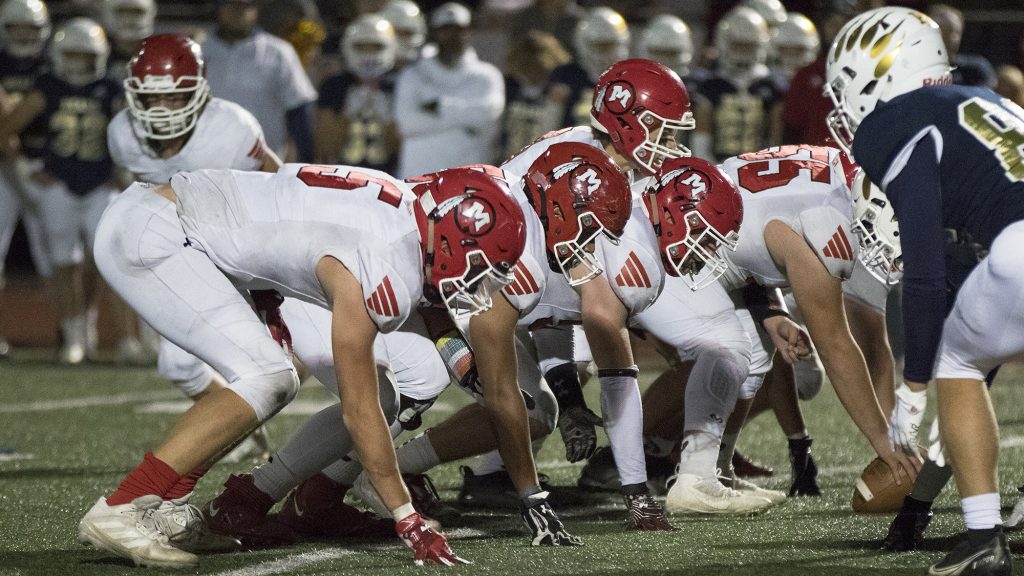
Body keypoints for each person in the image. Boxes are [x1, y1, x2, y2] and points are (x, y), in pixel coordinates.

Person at [78, 162, 527, 567]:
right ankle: (126, 505)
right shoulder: (381, 262)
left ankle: (167, 504)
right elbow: (358, 407)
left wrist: (459, 357)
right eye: (481, 263)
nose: (481, 279)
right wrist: (405, 515)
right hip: (160, 231)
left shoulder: (406, 213)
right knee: (268, 376)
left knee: (290, 379)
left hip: (186, 220)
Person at [826, 6, 1024, 574]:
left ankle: (985, 537)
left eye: (845, 88)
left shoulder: (895, 123)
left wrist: (911, 392)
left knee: (958, 362)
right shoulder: (990, 101)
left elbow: (925, 274)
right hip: (1007, 235)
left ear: (876, 75)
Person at [107, 33, 280, 457]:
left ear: (200, 92)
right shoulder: (123, 134)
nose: (162, 111)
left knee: (287, 355)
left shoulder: (232, 129)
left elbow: (277, 181)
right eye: (151, 99)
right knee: (179, 366)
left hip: (237, 245)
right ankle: (242, 428)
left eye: (174, 98)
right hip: (183, 252)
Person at [0, 17, 120, 365]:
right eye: (72, 56)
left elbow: (131, 135)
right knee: (63, 262)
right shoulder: (47, 86)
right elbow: (7, 127)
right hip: (59, 186)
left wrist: (121, 170)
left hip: (100, 184)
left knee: (104, 260)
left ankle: (88, 325)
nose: (79, 64)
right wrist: (26, 166)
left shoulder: (111, 88)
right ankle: (74, 336)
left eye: (85, 56)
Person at [393, 2, 503, 178]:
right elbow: (406, 124)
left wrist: (439, 107)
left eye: (459, 29)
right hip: (418, 178)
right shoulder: (412, 75)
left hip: (469, 180)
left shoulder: (487, 75)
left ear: (469, 31)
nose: (452, 36)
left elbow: (489, 120)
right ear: (435, 32)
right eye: (446, 29)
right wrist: (465, 123)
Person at [201, 0, 317, 162]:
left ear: (255, 9)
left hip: (264, 167)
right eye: (231, 4)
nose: (237, 11)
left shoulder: (279, 52)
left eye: (244, 5)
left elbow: (298, 112)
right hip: (205, 163)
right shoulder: (197, 53)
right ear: (219, 7)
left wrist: (305, 163)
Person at [0, 0, 52, 360]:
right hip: (3, 167)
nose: (23, 34)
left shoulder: (53, 62)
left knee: (57, 253)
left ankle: (73, 331)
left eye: (30, 28)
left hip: (47, 167)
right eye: (17, 27)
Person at [690, 7, 785, 163]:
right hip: (719, 164)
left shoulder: (770, 84)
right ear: (724, 42)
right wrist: (709, 168)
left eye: (748, 45)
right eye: (737, 44)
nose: (743, 50)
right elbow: (701, 139)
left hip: (760, 164)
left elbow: (777, 139)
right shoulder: (710, 85)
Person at [316, 14, 400, 173]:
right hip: (342, 178)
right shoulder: (334, 86)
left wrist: (388, 119)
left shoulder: (399, 85)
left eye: (376, 46)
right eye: (361, 46)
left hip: (392, 177)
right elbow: (325, 149)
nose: (368, 54)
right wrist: (347, 114)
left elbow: (405, 150)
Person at [546, 6, 628, 131]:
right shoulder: (566, 75)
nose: (602, 53)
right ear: (583, 44)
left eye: (608, 45)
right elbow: (549, 126)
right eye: (597, 46)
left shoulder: (629, 77)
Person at [499, 30, 570, 160]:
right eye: (527, 63)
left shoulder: (559, 91)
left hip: (546, 159)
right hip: (509, 159)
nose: (533, 63)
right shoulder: (508, 87)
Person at [928, 4, 996, 89]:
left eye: (954, 33)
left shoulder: (976, 70)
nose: (950, 38)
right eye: (943, 31)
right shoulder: (913, 68)